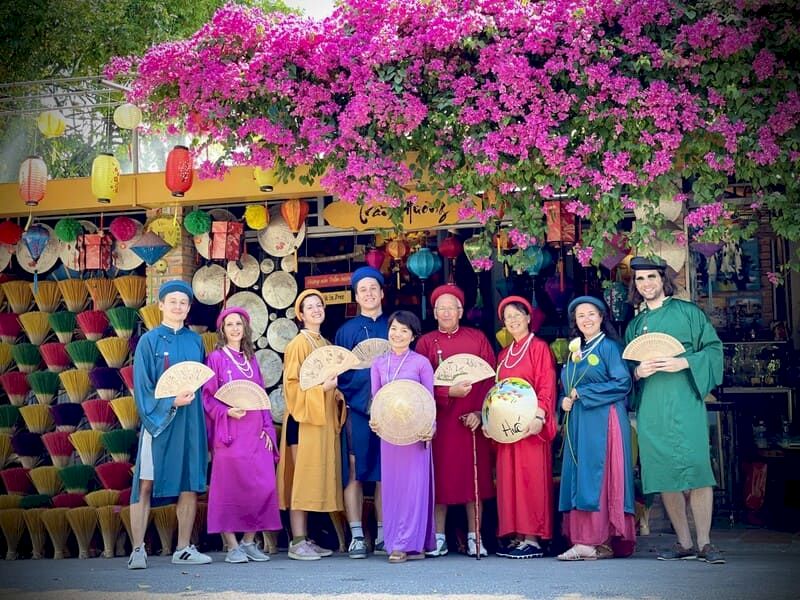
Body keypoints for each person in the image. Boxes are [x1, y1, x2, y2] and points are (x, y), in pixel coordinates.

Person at [624, 257, 724, 564]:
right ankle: (683, 543)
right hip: (652, 406)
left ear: (662, 279)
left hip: (685, 400)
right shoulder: (635, 325)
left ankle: (705, 542)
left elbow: (714, 349)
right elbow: (626, 370)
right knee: (663, 473)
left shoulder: (688, 313)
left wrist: (684, 362)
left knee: (696, 469)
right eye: (640, 280)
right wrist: (638, 372)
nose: (646, 284)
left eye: (651, 277)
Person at [127, 279, 211, 569]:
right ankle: (138, 549)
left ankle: (184, 548)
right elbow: (142, 386)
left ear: (189, 308)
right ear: (160, 304)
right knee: (146, 482)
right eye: (172, 301)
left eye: (183, 302)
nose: (178, 306)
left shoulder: (196, 341)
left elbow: (202, 382)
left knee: (189, 482)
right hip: (159, 422)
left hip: (190, 422)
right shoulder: (148, 342)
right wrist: (169, 402)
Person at [415, 284, 495, 557]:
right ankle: (438, 537)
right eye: (441, 308)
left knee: (476, 480)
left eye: (451, 308)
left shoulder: (478, 339)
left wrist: (480, 414)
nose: (446, 313)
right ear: (434, 312)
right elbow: (420, 383)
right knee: (442, 481)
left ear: (461, 311)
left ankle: (476, 537)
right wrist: (448, 391)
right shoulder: (426, 343)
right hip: (442, 421)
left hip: (472, 421)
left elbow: (490, 380)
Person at [557, 296, 636, 561]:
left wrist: (584, 391)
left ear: (602, 317)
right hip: (580, 420)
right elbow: (568, 386)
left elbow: (623, 383)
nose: (586, 319)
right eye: (581, 316)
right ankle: (588, 541)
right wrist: (564, 399)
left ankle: (595, 539)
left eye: (591, 314)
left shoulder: (610, 348)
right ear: (575, 322)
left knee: (598, 475)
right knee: (580, 475)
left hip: (604, 419)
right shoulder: (575, 351)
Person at [202, 306, 281, 564]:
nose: (235, 328)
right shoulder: (215, 358)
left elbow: (261, 399)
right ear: (222, 330)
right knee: (228, 489)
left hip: (256, 433)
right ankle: (231, 544)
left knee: (263, 486)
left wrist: (268, 429)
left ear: (245, 329)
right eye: (230, 324)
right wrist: (226, 411)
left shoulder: (251, 359)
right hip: (230, 433)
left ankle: (248, 541)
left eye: (239, 324)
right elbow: (207, 398)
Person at [277, 289, 346, 561]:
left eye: (320, 304)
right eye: (310, 306)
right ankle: (296, 540)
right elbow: (292, 387)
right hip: (303, 420)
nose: (316, 309)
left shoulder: (324, 342)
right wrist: (322, 390)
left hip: (321, 419)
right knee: (301, 479)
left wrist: (336, 394)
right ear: (300, 314)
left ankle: (306, 537)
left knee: (315, 476)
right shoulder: (297, 344)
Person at [369, 310, 436, 563]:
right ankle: (397, 542)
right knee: (394, 489)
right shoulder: (378, 364)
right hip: (390, 434)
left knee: (415, 489)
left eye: (404, 330)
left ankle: (413, 543)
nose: (398, 334)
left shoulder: (421, 363)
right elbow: (376, 400)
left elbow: (429, 401)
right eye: (394, 329)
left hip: (416, 432)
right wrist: (376, 422)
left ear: (413, 335)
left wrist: (430, 428)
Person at [492, 296, 556, 559]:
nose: (513, 320)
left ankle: (533, 537)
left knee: (531, 479)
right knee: (510, 480)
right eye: (507, 317)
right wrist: (491, 421)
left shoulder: (539, 348)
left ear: (529, 318)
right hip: (508, 427)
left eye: (518, 314)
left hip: (530, 425)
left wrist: (540, 414)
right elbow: (496, 391)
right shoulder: (504, 354)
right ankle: (518, 535)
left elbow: (546, 383)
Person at [334, 266, 388, 558]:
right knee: (354, 470)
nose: (368, 294)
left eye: (373, 288)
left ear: (382, 292)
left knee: (385, 471)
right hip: (357, 410)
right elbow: (339, 374)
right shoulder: (346, 331)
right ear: (356, 296)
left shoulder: (394, 326)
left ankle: (382, 533)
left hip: (392, 410)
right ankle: (356, 535)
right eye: (362, 290)